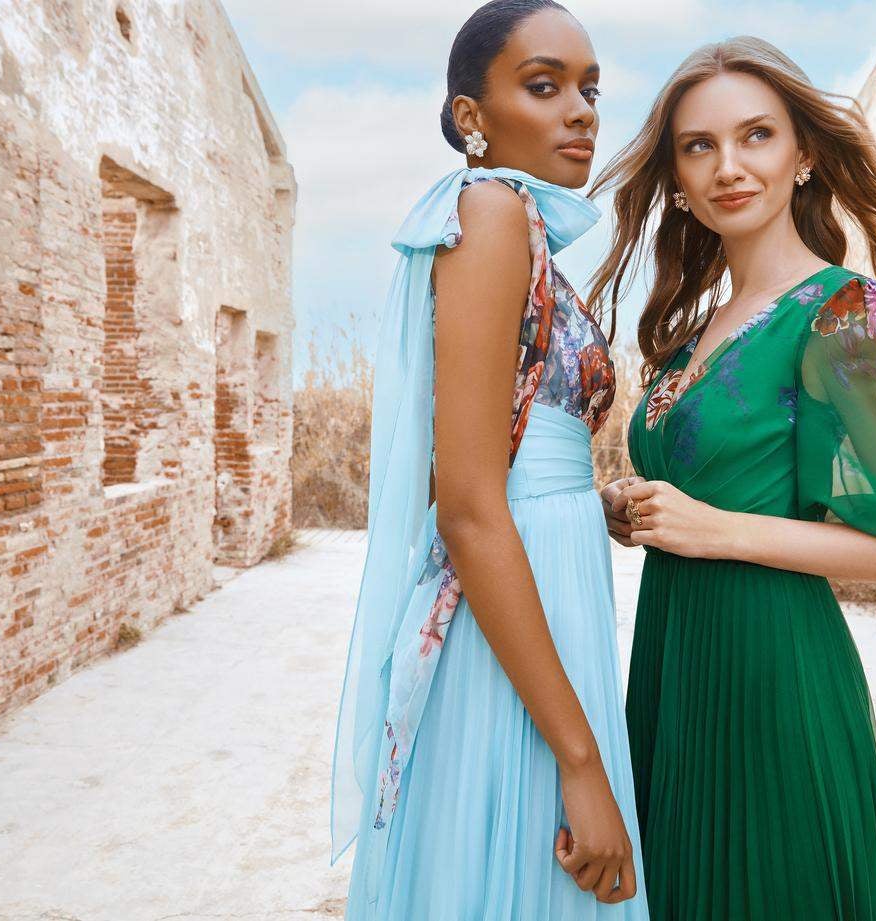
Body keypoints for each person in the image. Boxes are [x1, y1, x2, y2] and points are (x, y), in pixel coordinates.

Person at [590, 36, 876, 920]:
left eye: (756, 136)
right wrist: (636, 510)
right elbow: (707, 487)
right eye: (698, 146)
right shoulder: (692, 330)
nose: (728, 167)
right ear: (674, 176)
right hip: (675, 667)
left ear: (804, 156)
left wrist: (717, 530)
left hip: (773, 680)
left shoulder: (843, 315)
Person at [329, 2, 647, 917]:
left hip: (545, 576)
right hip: (510, 600)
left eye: (589, 90)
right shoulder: (491, 209)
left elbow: (504, 449)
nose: (581, 111)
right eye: (543, 86)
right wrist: (581, 764)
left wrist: (590, 502)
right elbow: (467, 504)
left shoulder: (519, 226)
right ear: (471, 116)